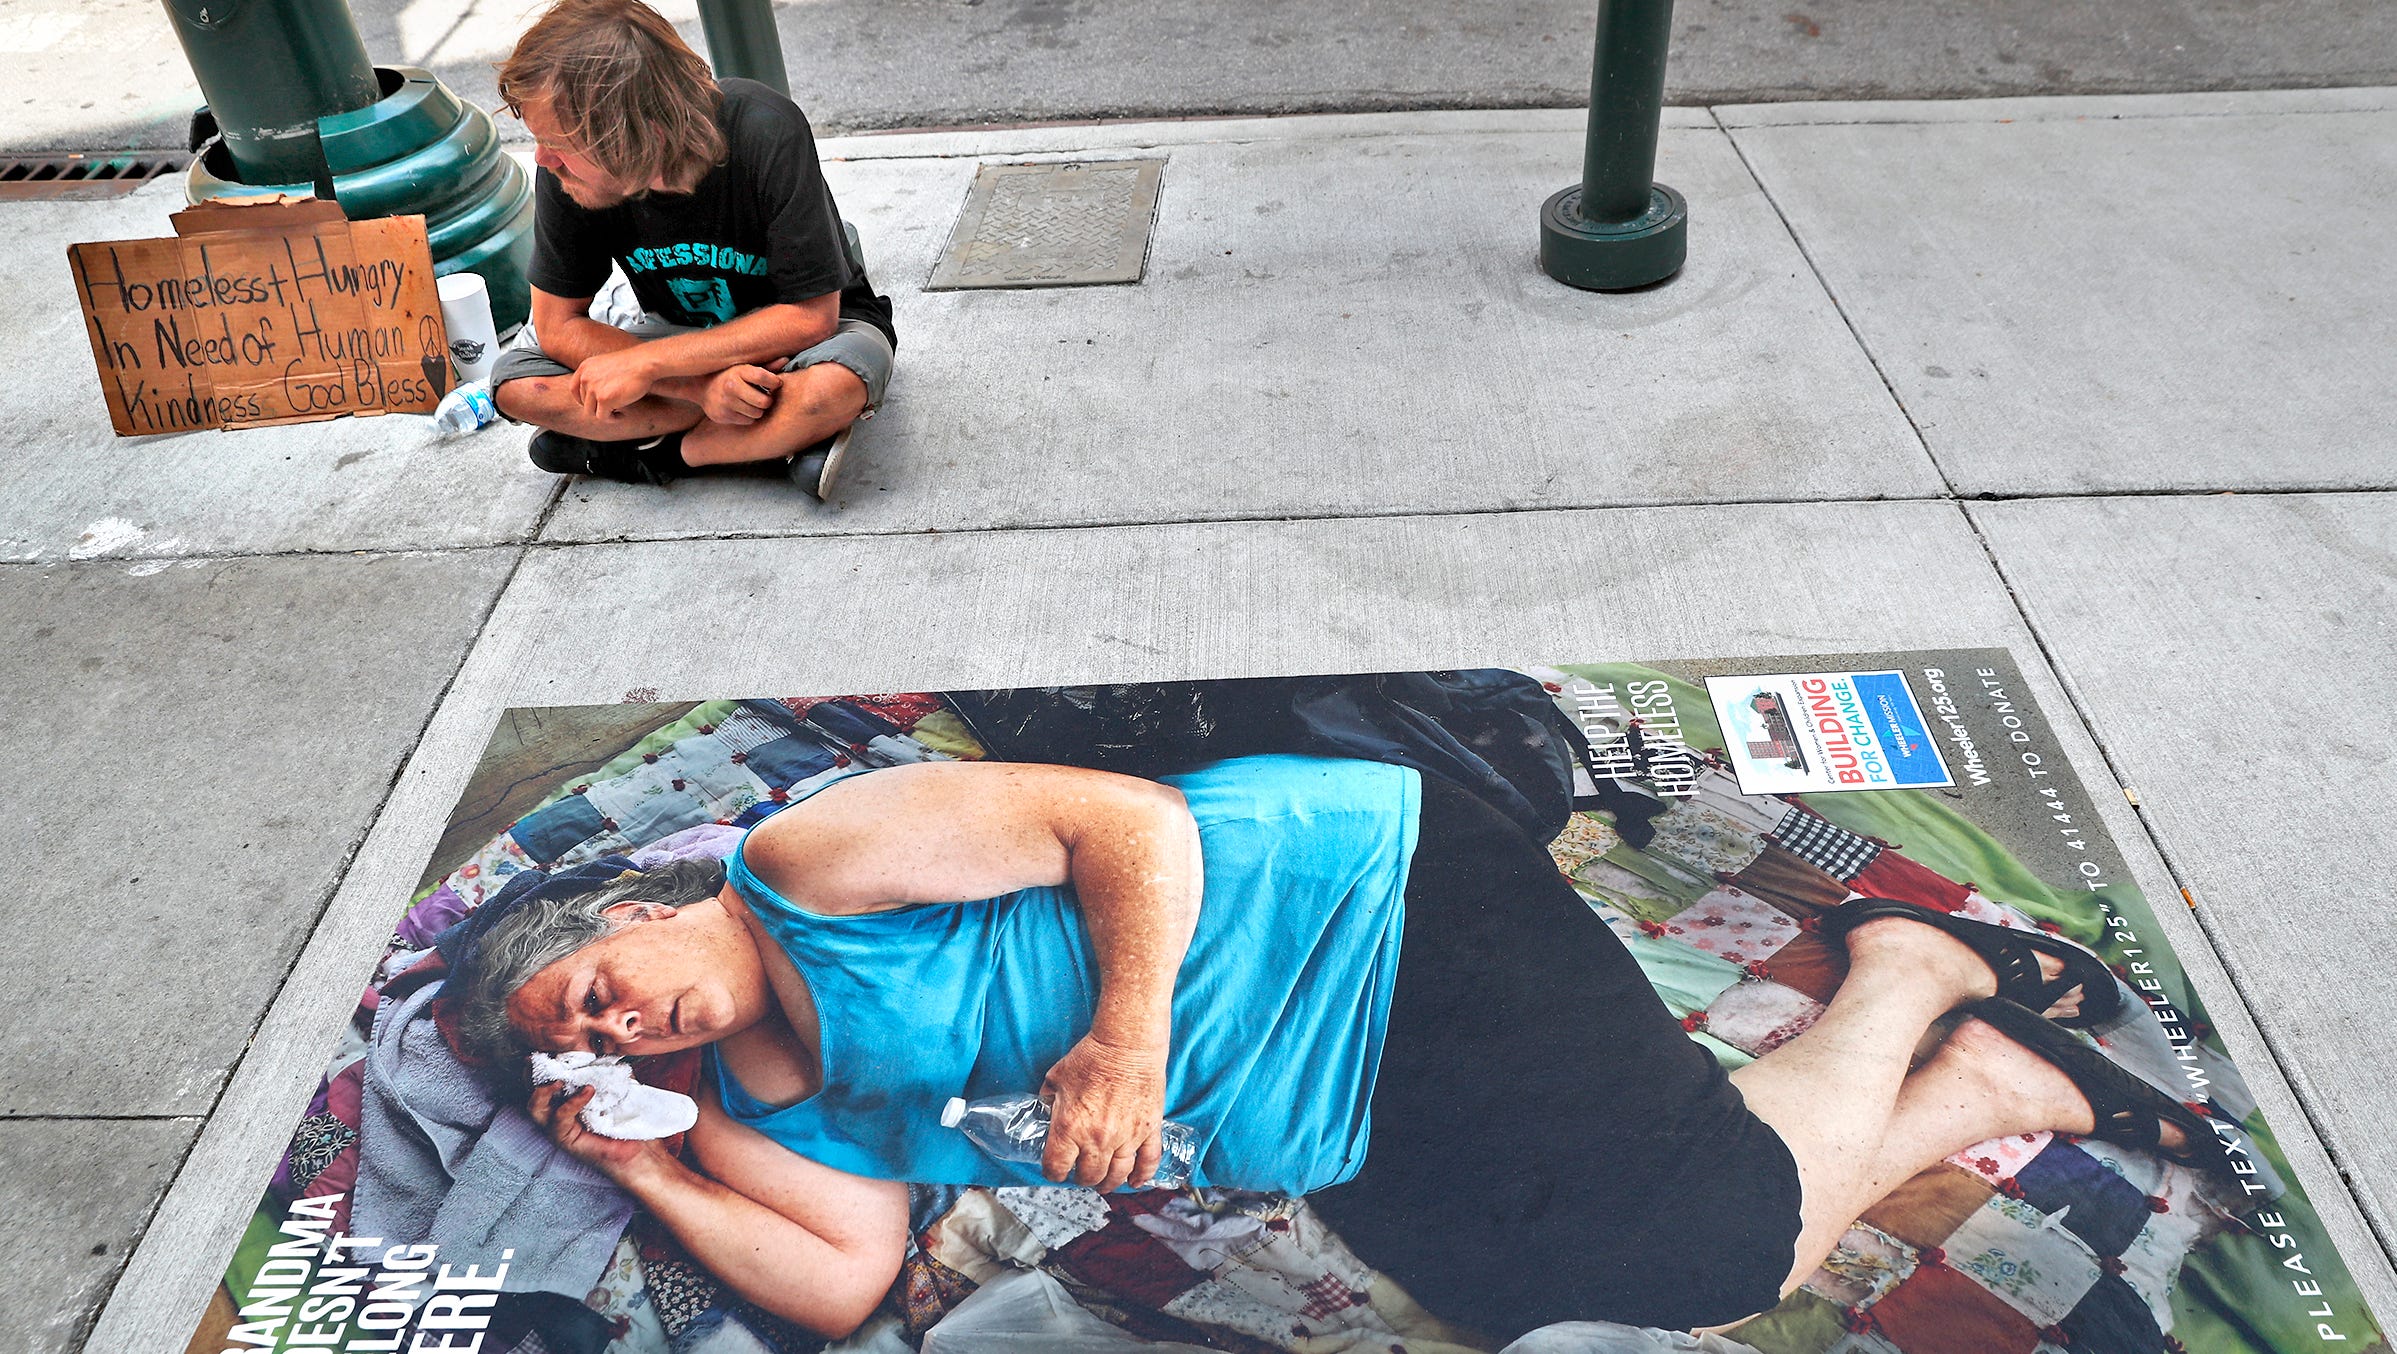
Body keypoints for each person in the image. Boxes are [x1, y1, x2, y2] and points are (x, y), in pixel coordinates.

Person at [443, 755, 2228, 1343]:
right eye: (581, 1041)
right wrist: (639, 1155)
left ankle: (1916, 985)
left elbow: (1125, 820)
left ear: (642, 911)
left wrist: (1122, 1045)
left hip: (1359, 904)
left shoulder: (798, 867)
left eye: (596, 977)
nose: (614, 1018)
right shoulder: (757, 1097)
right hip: (1322, 1102)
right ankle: (1956, 1057)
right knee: (1536, 1294)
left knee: (1695, 1252)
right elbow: (835, 1284)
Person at [488, 0, 896, 499]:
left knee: (832, 391)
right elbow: (556, 325)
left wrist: (651, 367)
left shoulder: (765, 128)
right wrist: (697, 386)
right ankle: (766, 443)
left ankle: (654, 453)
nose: (542, 157)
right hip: (677, 336)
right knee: (515, 384)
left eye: (559, 142)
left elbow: (810, 318)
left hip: (805, 342)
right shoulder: (565, 174)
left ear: (636, 132)